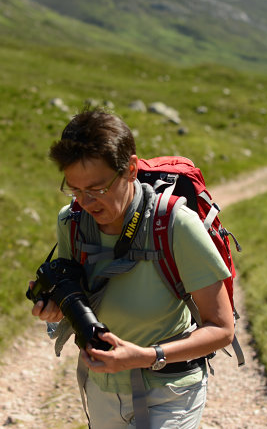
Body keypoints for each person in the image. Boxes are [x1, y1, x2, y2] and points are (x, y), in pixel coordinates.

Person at [30, 107, 234, 428]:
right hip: (103, 391)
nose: (86, 202)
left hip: (172, 392)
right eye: (75, 189)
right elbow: (80, 292)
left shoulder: (175, 224)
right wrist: (57, 307)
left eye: (97, 189)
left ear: (131, 170)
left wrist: (146, 356)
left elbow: (222, 328)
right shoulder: (71, 222)